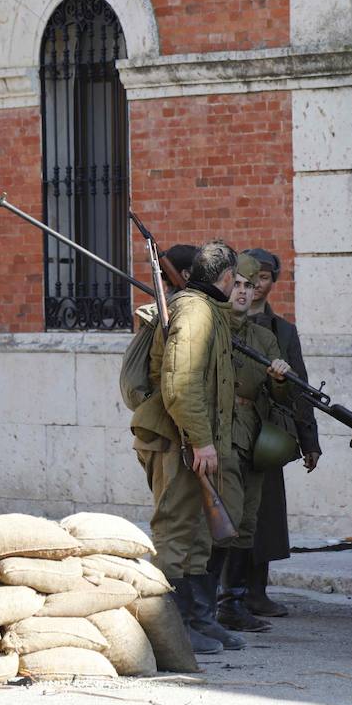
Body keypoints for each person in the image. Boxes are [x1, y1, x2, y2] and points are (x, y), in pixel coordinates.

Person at [129, 239, 246, 654]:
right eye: (238, 280)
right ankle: (172, 627)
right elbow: (180, 385)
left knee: (197, 533)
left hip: (194, 439)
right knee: (176, 531)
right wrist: (201, 441)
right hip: (180, 440)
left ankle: (198, 618)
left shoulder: (204, 309)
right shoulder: (196, 312)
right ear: (227, 278)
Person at [212, 253, 293, 633]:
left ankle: (233, 603)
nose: (244, 292)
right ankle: (203, 604)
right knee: (220, 518)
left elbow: (281, 398)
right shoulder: (210, 328)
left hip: (252, 436)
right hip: (219, 432)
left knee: (246, 521)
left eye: (249, 285)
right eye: (238, 285)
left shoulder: (264, 337)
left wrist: (279, 379)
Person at [240, 247, 321, 618]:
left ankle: (256, 591)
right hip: (232, 429)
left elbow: (299, 387)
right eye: (249, 276)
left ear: (273, 282)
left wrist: (309, 441)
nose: (255, 285)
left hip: (268, 433)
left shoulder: (283, 331)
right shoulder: (222, 322)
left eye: (264, 277)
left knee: (265, 516)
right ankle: (228, 593)